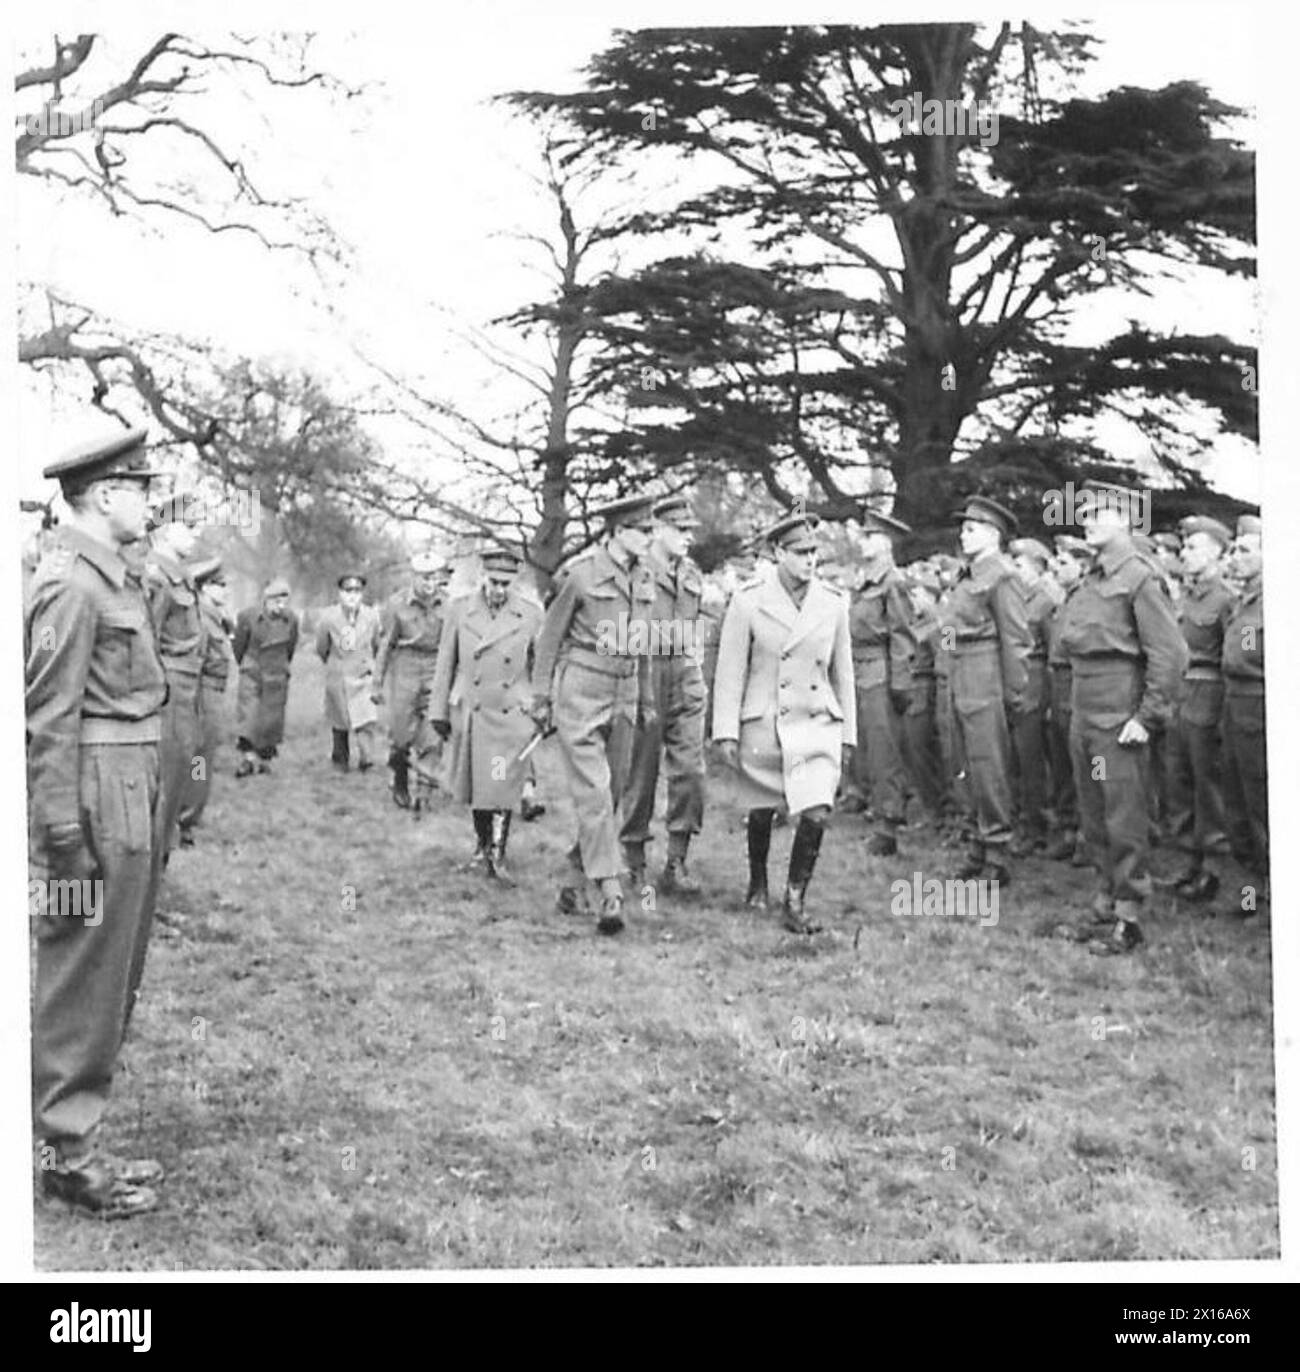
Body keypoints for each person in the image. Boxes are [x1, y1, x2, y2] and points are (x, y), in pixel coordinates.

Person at [26, 427, 169, 1218]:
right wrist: (63, 840)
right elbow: (46, 721)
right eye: (141, 488)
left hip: (126, 785)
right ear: (106, 495)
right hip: (90, 797)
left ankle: (78, 1141)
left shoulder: (110, 575)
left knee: (112, 969)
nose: (150, 500)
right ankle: (65, 1155)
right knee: (81, 974)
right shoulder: (72, 585)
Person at [1054, 482, 1187, 954]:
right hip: (1086, 708)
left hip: (1118, 710)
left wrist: (1147, 716)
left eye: (1098, 512)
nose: (1086, 518)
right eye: (1084, 511)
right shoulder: (1091, 578)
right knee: (1094, 812)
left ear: (1126, 520)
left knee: (1123, 814)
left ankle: (1129, 916)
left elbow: (1169, 653)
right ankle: (1105, 899)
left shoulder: (1140, 577)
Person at [711, 514, 856, 934]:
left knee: (817, 810)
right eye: (800, 553)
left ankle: (795, 900)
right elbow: (731, 669)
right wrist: (726, 730)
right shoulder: (748, 600)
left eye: (814, 553)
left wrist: (848, 733)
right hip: (765, 721)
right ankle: (758, 882)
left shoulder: (832, 601)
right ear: (778, 554)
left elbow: (842, 672)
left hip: (816, 721)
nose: (810, 560)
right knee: (762, 810)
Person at [531, 495, 658, 935]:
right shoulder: (581, 576)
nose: (650, 537)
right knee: (595, 792)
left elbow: (644, 645)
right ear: (618, 532)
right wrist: (540, 697)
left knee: (614, 792)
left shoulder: (647, 578)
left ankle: (572, 880)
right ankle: (610, 891)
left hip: (624, 690)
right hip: (582, 688)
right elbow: (549, 638)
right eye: (643, 530)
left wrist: (645, 699)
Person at [427, 546, 543, 881]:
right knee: (479, 786)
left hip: (510, 713)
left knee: (500, 784)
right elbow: (445, 663)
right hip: (472, 710)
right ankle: (482, 847)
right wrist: (439, 711)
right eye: (494, 582)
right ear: (482, 578)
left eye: (506, 584)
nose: (499, 590)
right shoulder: (460, 610)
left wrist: (540, 707)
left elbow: (542, 664)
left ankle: (497, 852)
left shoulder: (531, 614)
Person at [936, 496, 1032, 884]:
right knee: (965, 763)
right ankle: (978, 840)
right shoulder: (968, 575)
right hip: (959, 668)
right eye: (963, 527)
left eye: (971, 528)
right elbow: (947, 627)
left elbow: (1016, 640)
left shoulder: (1001, 576)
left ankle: (997, 851)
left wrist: (1015, 694)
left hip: (984, 671)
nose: (963, 534)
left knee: (987, 764)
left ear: (994, 535)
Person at [619, 493, 709, 895]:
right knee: (641, 770)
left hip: (683, 671)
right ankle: (633, 859)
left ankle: (677, 858)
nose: (688, 537)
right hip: (645, 669)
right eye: (680, 530)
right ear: (658, 529)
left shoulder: (691, 573)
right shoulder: (637, 573)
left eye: (690, 530)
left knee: (690, 768)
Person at [1161, 516, 1236, 904]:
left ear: (1218, 552)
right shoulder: (1184, 597)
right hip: (1180, 693)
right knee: (1179, 780)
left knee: (1208, 783)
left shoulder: (1225, 598)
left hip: (1208, 693)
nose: (1185, 554)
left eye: (1193, 547)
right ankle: (1188, 857)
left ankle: (1213, 867)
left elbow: (1233, 656)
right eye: (1184, 547)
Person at [842, 507, 915, 854]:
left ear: (886, 543)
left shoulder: (893, 582)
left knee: (885, 752)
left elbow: (902, 635)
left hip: (880, 671)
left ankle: (888, 825)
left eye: (870, 535)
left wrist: (900, 685)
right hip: (860, 668)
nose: (863, 540)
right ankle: (875, 814)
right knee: (867, 749)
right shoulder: (866, 579)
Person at [144, 494, 204, 865]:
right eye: (189, 526)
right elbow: (148, 641)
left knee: (181, 770)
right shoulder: (157, 578)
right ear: (165, 531)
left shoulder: (180, 575)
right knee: (163, 780)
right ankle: (152, 871)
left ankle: (160, 866)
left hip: (186, 688)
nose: (196, 535)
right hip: (167, 692)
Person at [375, 552, 449, 807]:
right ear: (414, 577)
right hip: (404, 666)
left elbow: (455, 645)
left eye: (434, 577)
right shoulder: (396, 604)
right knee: (400, 732)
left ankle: (424, 793)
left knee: (433, 730)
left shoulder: (448, 605)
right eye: (425, 577)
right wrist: (377, 682)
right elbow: (385, 645)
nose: (430, 583)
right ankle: (400, 779)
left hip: (435, 667)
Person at [1220, 517, 1266, 920]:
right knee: (1236, 808)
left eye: (1245, 550)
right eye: (1234, 550)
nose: (1236, 557)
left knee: (1261, 806)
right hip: (1233, 704)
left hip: (1260, 704)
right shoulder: (1242, 600)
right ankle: (1252, 896)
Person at [1007, 537, 1059, 857]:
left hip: (1035, 680)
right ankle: (1021, 819)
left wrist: (1050, 698)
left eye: (1019, 564)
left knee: (1030, 759)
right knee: (1014, 756)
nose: (1014, 570)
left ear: (1037, 568)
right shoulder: (1015, 598)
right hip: (1016, 679)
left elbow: (1056, 653)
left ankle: (1035, 825)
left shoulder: (1045, 602)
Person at [177, 558, 234, 847]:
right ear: (204, 587)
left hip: (214, 692)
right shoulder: (201, 616)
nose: (224, 590)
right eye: (218, 585)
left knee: (204, 757)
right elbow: (196, 661)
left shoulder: (215, 615)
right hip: (202, 693)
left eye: (225, 585)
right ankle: (184, 819)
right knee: (199, 757)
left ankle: (188, 816)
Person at [1043, 535, 1090, 862]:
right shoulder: (1063, 601)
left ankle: (1089, 835)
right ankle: (1068, 829)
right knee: (1061, 762)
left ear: (1083, 566)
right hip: (1057, 680)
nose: (1055, 569)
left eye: (1063, 563)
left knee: (1084, 766)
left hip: (1077, 680)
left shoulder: (1086, 599)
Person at [316, 573, 384, 771]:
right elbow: (322, 646)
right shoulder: (329, 617)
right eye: (348, 591)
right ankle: (340, 758)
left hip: (363, 674)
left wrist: (372, 665)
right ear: (340, 593)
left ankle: (367, 758)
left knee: (365, 718)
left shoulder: (371, 616)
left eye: (357, 591)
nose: (352, 596)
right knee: (340, 719)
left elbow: (377, 644)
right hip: (340, 674)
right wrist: (334, 664)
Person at [232, 579, 299, 775]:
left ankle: (265, 759)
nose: (281, 607)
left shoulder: (291, 620)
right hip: (252, 671)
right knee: (249, 716)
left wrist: (281, 666)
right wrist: (247, 665)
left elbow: (290, 647)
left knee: (272, 719)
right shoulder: (247, 617)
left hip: (276, 673)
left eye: (284, 603)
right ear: (266, 599)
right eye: (277, 602)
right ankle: (247, 758)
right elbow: (239, 647)